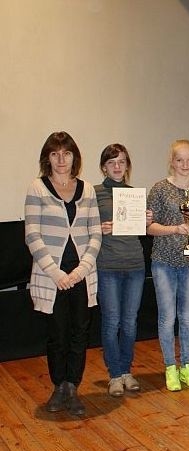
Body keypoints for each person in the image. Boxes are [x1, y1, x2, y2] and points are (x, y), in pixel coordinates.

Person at [24, 131, 102, 416]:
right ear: (48, 157)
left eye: (66, 153)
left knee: (80, 333)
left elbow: (95, 234)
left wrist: (81, 270)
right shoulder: (38, 188)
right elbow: (32, 234)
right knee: (57, 334)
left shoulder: (88, 189)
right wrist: (56, 273)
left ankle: (73, 387)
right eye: (55, 154)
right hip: (52, 276)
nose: (61, 159)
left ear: (74, 157)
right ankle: (58, 387)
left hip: (82, 275)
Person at [147, 139, 189, 391]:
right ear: (172, 162)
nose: (185, 165)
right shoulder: (159, 189)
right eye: (180, 160)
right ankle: (170, 368)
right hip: (163, 262)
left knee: (187, 317)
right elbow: (148, 227)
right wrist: (175, 228)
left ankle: (187, 365)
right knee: (167, 318)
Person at [95, 144, 153, 397]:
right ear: (104, 167)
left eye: (122, 161)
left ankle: (127, 372)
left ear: (127, 165)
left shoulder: (135, 195)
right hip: (107, 265)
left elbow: (141, 231)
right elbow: (83, 227)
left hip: (135, 265)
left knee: (129, 322)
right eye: (111, 162)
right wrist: (99, 227)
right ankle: (114, 375)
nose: (117, 167)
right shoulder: (93, 193)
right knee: (111, 322)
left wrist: (147, 220)